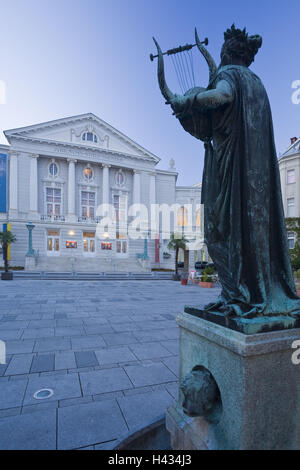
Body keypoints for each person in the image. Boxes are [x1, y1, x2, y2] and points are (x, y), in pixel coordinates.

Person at [168, 25, 300, 318]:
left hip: (233, 172)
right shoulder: (257, 83)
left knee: (218, 231)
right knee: (252, 231)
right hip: (257, 178)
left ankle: (239, 294)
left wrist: (188, 100)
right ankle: (253, 290)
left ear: (227, 52)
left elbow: (222, 97)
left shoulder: (229, 77)